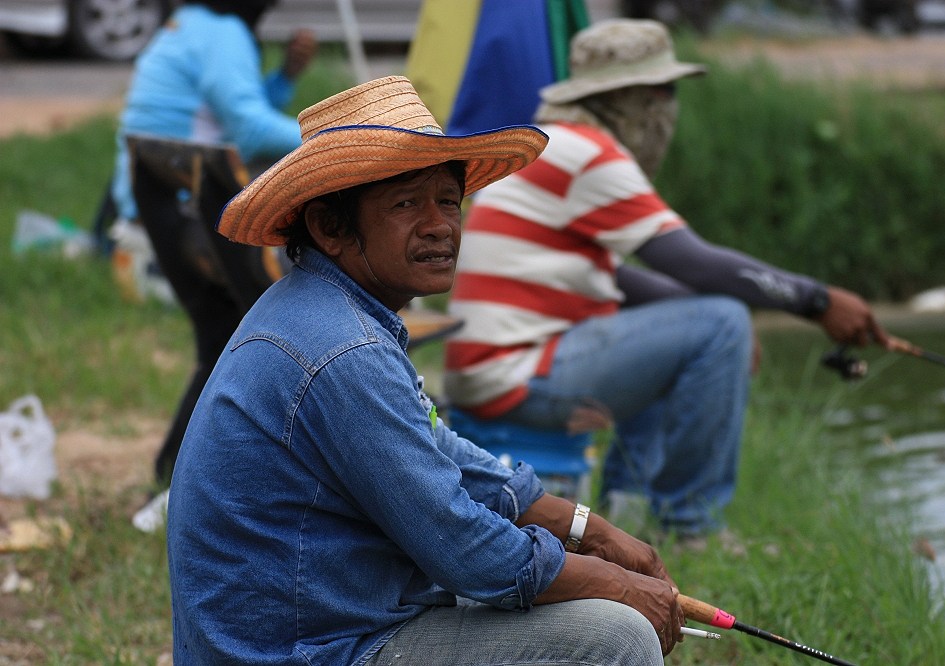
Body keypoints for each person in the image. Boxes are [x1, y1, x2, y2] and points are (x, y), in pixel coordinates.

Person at [166, 76, 687, 665]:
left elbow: (437, 451)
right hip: (310, 650)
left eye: (448, 200)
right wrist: (613, 582)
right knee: (614, 636)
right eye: (407, 203)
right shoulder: (343, 351)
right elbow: (463, 547)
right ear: (330, 227)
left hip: (325, 626)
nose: (441, 225)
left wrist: (585, 526)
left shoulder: (325, 312)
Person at [443, 19, 891, 540]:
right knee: (721, 322)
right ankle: (692, 526)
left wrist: (704, 324)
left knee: (707, 325)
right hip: (515, 374)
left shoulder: (553, 146)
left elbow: (624, 282)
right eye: (664, 93)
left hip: (496, 372)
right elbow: (691, 261)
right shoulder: (590, 153)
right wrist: (817, 301)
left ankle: (627, 512)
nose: (669, 110)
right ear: (632, 100)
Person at [108, 0, 317, 486]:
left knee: (224, 330)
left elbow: (230, 124)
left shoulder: (184, 27)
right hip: (189, 217)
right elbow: (249, 130)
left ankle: (176, 469)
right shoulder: (225, 34)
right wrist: (348, 139)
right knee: (330, 292)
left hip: (156, 210)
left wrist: (284, 77)